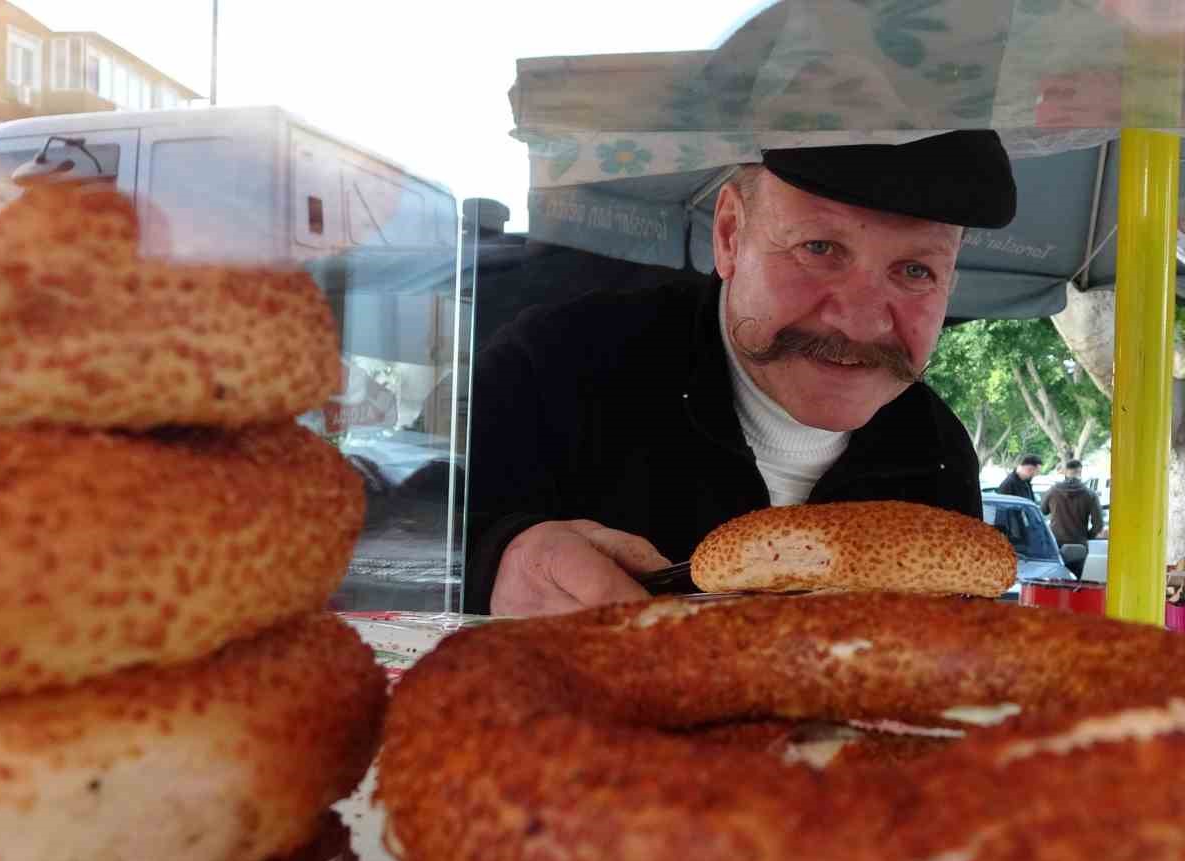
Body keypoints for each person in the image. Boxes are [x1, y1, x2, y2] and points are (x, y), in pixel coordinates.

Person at [462, 130, 1019, 617]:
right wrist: (502, 561)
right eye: (820, 247)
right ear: (730, 235)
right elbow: (399, 538)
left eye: (916, 269)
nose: (859, 321)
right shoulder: (556, 365)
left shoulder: (937, 452)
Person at [1041, 459, 1105, 549]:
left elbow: (1043, 511)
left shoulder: (1053, 491)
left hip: (1056, 542)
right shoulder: (1090, 494)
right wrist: (1086, 536)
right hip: (1079, 542)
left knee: (1058, 564)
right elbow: (1098, 524)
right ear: (1080, 472)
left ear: (1065, 472)